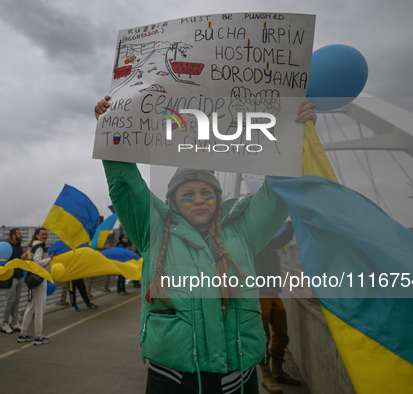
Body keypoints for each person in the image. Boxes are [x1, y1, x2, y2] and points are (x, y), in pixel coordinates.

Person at [95, 95, 316, 393]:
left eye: (206, 192)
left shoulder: (243, 230)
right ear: (173, 201)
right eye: (188, 194)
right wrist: (113, 129)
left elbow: (277, 192)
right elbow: (126, 184)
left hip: (237, 379)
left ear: (218, 197)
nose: (198, 200)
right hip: (171, 379)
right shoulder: (154, 230)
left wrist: (295, 133)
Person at [253, 221, 298, 394]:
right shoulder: (251, 244)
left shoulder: (270, 242)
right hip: (259, 293)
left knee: (281, 331)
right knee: (263, 336)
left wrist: (292, 224)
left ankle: (278, 371)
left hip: (274, 293)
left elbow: (284, 238)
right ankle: (266, 375)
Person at [17, 228, 54, 346]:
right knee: (40, 308)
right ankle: (38, 335)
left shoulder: (33, 246)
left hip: (34, 280)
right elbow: (37, 262)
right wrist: (49, 259)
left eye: (46, 234)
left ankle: (23, 333)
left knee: (31, 306)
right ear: (37, 235)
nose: (45, 236)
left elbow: (31, 260)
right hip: (39, 279)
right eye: (42, 234)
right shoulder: (40, 247)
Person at [1, 228, 26, 334]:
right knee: (10, 301)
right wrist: (20, 258)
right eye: (19, 233)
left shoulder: (19, 246)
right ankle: (4, 324)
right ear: (13, 235)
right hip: (10, 278)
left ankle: (15, 323)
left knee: (16, 301)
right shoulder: (8, 247)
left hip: (19, 277)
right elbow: (7, 261)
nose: (21, 235)